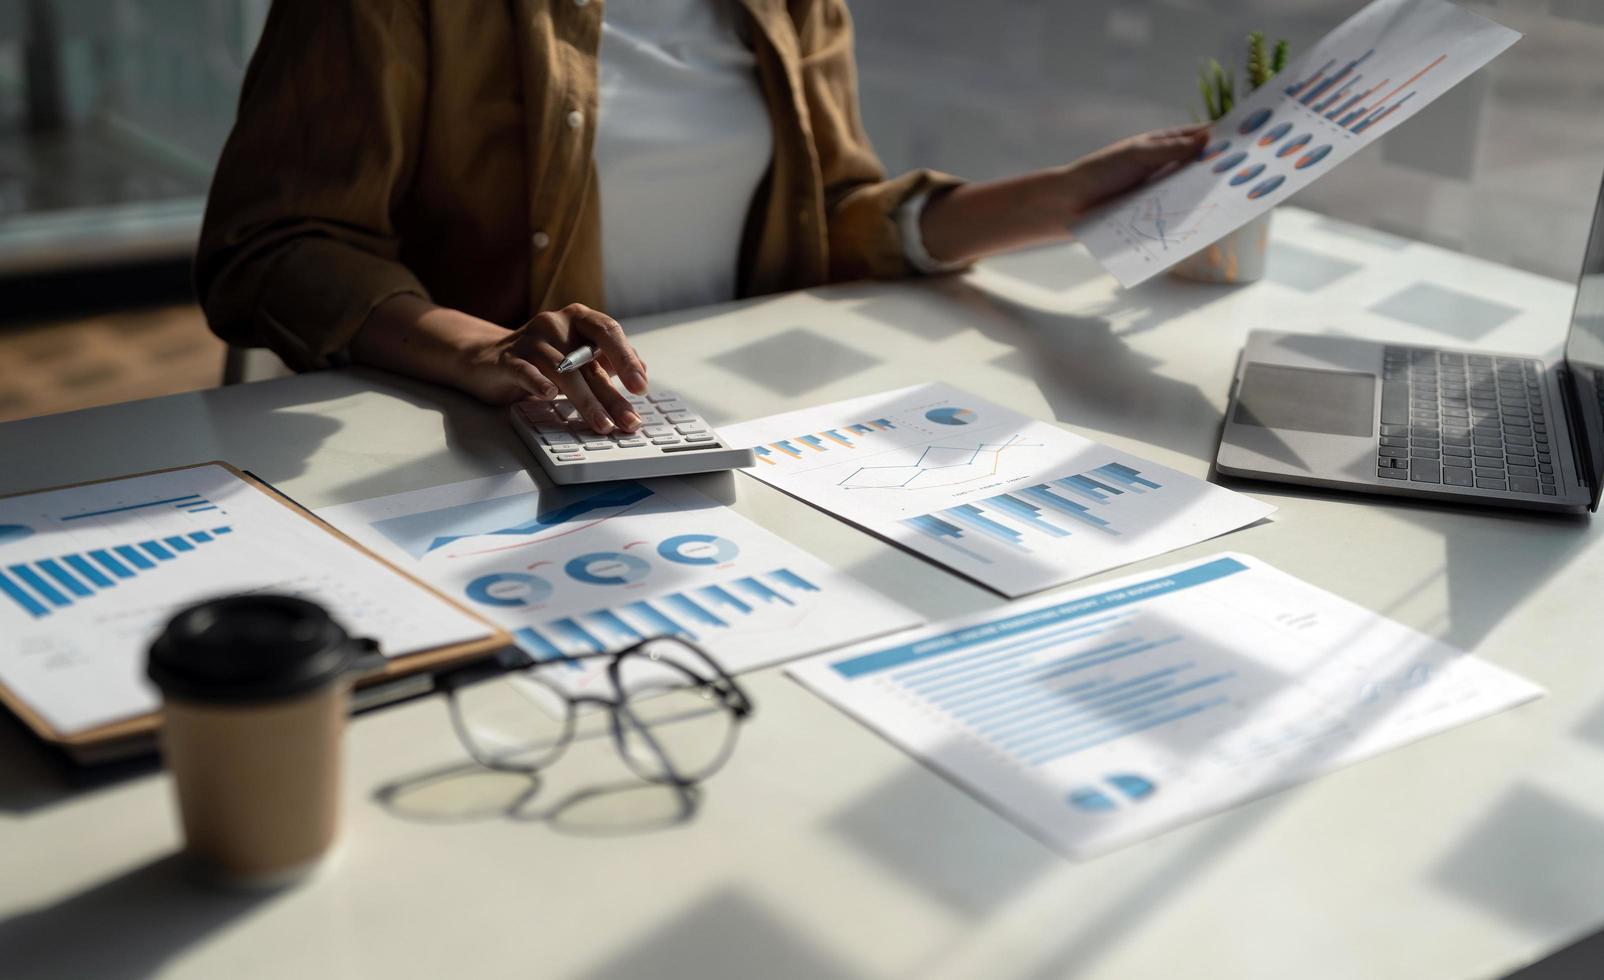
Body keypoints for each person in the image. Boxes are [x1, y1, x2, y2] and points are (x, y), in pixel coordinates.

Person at [196, 0, 1206, 434]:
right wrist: (479, 347)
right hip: (489, 444)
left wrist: (1055, 198)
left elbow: (827, 216)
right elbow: (276, 246)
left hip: (748, 429)